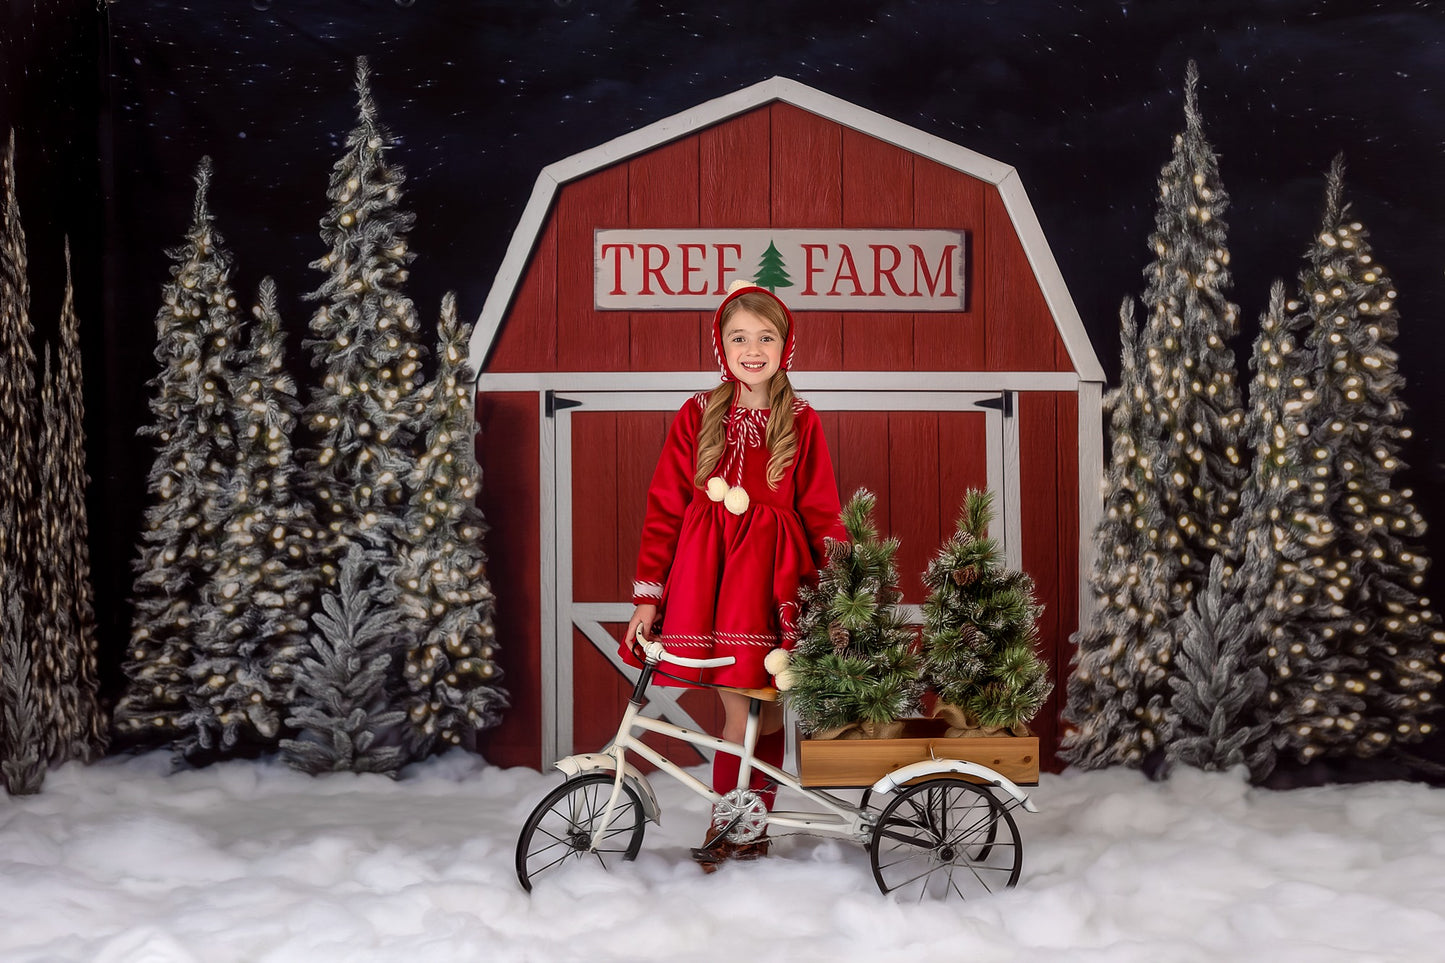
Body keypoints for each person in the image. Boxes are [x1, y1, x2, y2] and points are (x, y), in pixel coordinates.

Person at [621, 279, 845, 872]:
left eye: (765, 337)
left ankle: (753, 824)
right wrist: (648, 596)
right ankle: (730, 824)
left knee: (768, 709)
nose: (752, 349)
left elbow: (822, 510)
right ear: (721, 345)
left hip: (773, 580)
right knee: (738, 710)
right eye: (739, 337)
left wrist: (840, 584)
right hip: (712, 582)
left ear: (785, 345)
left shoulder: (801, 420)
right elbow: (665, 508)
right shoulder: (698, 414)